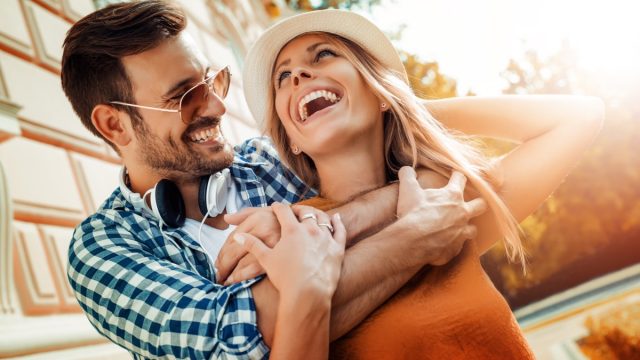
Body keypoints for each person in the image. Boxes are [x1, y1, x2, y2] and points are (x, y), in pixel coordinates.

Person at [61, 1, 484, 358]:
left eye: (212, 82)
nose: (217, 108)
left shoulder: (266, 160)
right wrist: (413, 240)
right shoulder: (102, 248)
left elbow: (426, 164)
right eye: (184, 96)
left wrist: (321, 224)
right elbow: (241, 336)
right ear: (115, 126)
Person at [238, 9, 604, 359]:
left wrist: (399, 105)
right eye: (282, 78)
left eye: (322, 55)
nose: (299, 74)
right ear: (291, 138)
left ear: (378, 89)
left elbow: (579, 117)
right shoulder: (284, 232)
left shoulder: (449, 204)